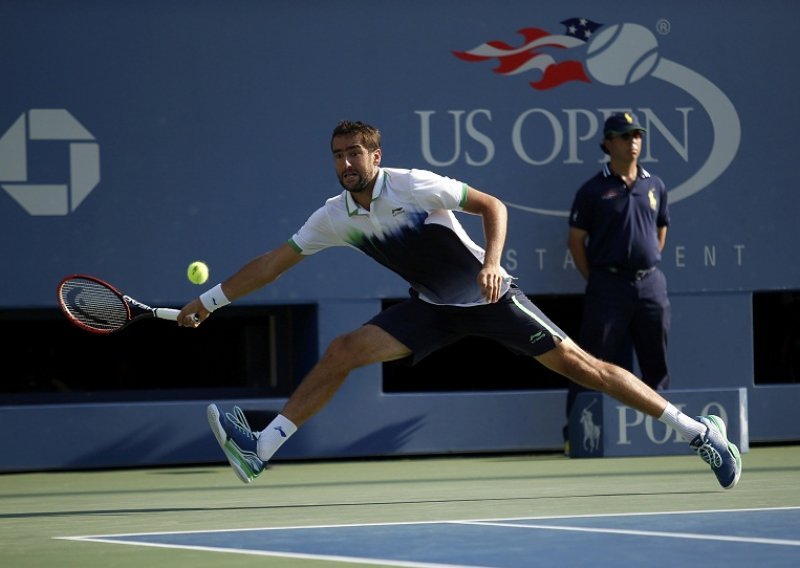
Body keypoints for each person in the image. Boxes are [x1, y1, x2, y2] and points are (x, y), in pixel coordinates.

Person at [177, 120, 740, 490]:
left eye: (356, 154)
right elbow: (275, 262)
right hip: (431, 308)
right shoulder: (334, 217)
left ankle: (700, 435)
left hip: (488, 295)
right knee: (344, 349)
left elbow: (491, 205)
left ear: (376, 155)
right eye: (338, 157)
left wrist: (493, 263)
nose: (346, 163)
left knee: (587, 369)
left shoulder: (412, 186)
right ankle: (260, 448)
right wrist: (211, 300)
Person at [564, 112, 671, 449]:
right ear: (608, 143)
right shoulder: (593, 189)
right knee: (590, 363)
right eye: (625, 137)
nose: (633, 142)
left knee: (656, 361)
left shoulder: (655, 185)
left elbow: (660, 229)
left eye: (637, 136)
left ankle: (661, 435)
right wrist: (598, 278)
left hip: (651, 285)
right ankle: (577, 437)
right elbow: (575, 241)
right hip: (607, 287)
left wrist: (646, 261)